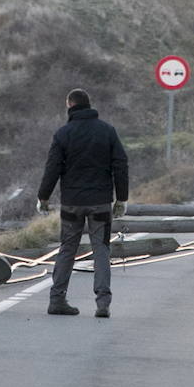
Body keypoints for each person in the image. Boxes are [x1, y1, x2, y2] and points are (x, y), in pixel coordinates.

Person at [36, 88, 129, 318]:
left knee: (67, 249)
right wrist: (122, 198)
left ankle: (57, 299)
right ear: (89, 105)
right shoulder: (107, 131)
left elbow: (52, 168)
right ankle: (103, 303)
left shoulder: (63, 134)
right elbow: (120, 164)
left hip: (72, 203)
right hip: (100, 203)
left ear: (70, 105)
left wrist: (43, 197)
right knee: (101, 251)